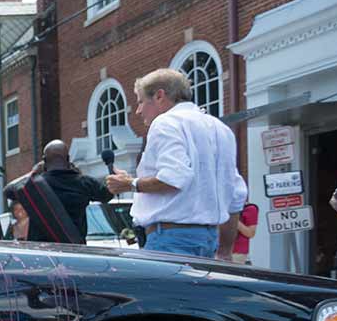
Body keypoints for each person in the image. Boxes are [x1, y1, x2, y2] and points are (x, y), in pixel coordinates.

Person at [106, 68, 246, 258]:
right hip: (209, 239)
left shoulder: (165, 123)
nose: (138, 110)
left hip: (170, 240)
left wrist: (129, 184)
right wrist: (225, 251)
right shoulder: (221, 129)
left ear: (159, 96)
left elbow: (174, 178)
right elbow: (236, 194)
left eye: (140, 101)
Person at [20, 140, 113, 244]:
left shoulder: (34, 185)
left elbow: (10, 191)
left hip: (42, 251)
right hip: (73, 249)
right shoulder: (84, 183)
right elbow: (107, 195)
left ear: (44, 161)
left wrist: (34, 171)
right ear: (68, 159)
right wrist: (111, 171)